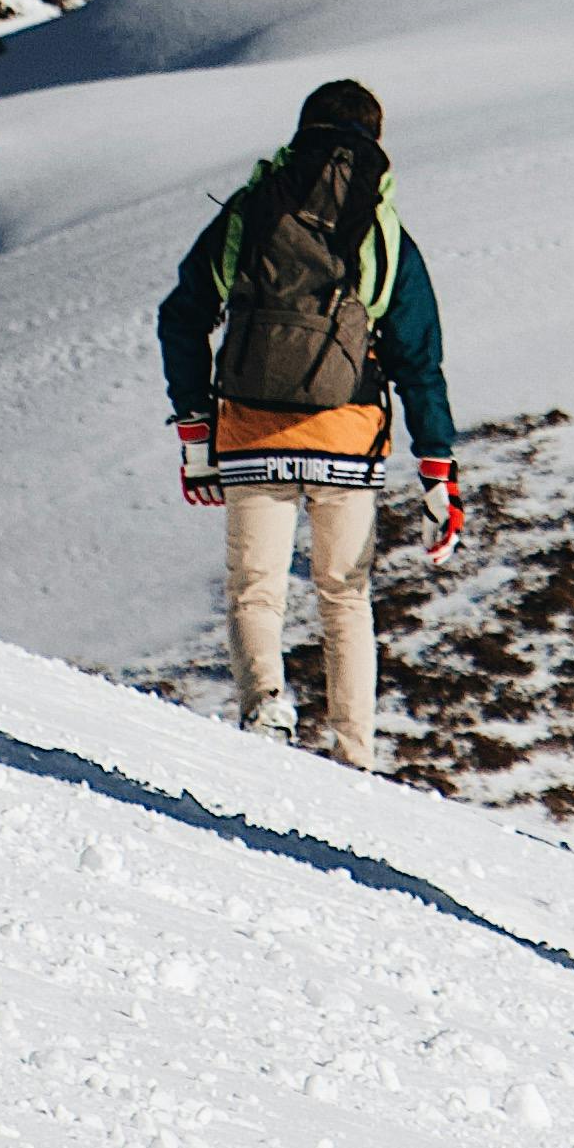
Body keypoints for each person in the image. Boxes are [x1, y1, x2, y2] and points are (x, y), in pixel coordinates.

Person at [157, 78, 461, 770]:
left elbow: (182, 315)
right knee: (345, 597)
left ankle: (266, 705)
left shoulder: (248, 212)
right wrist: (437, 465)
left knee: (253, 587)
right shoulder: (384, 232)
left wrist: (195, 429)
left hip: (252, 430)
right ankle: (354, 755)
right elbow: (419, 355)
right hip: (347, 436)